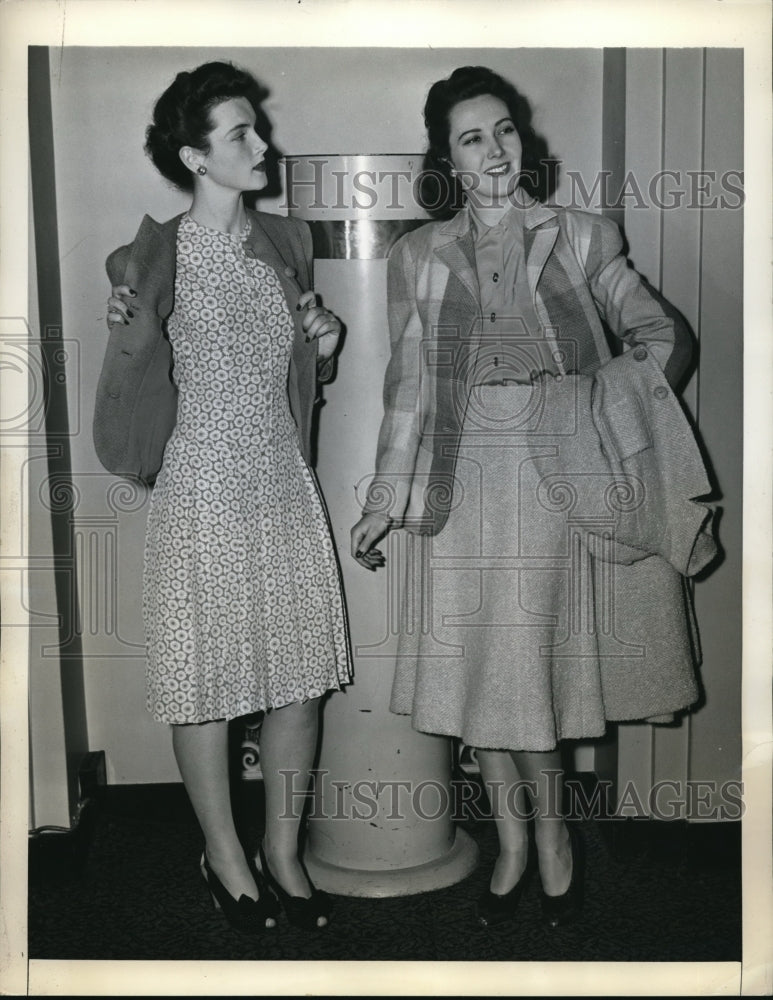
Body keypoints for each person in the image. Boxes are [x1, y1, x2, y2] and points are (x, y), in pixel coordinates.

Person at [350, 66, 717, 930]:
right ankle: (514, 845)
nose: (495, 150)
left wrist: (576, 398)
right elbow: (409, 388)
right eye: (473, 137)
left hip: (552, 479)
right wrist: (383, 498)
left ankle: (550, 843)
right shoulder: (415, 253)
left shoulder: (584, 236)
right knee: (485, 685)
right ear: (446, 158)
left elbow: (666, 339)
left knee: (524, 683)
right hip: (457, 482)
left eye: (505, 129)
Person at [95, 61, 352, 933]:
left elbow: (297, 358)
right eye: (240, 133)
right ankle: (226, 855)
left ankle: (283, 848)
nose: (262, 144)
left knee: (300, 680)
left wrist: (324, 337)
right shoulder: (152, 254)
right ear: (194, 157)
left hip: (282, 477)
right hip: (200, 482)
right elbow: (130, 327)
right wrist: (122, 314)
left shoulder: (288, 240)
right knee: (205, 683)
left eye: (256, 127)